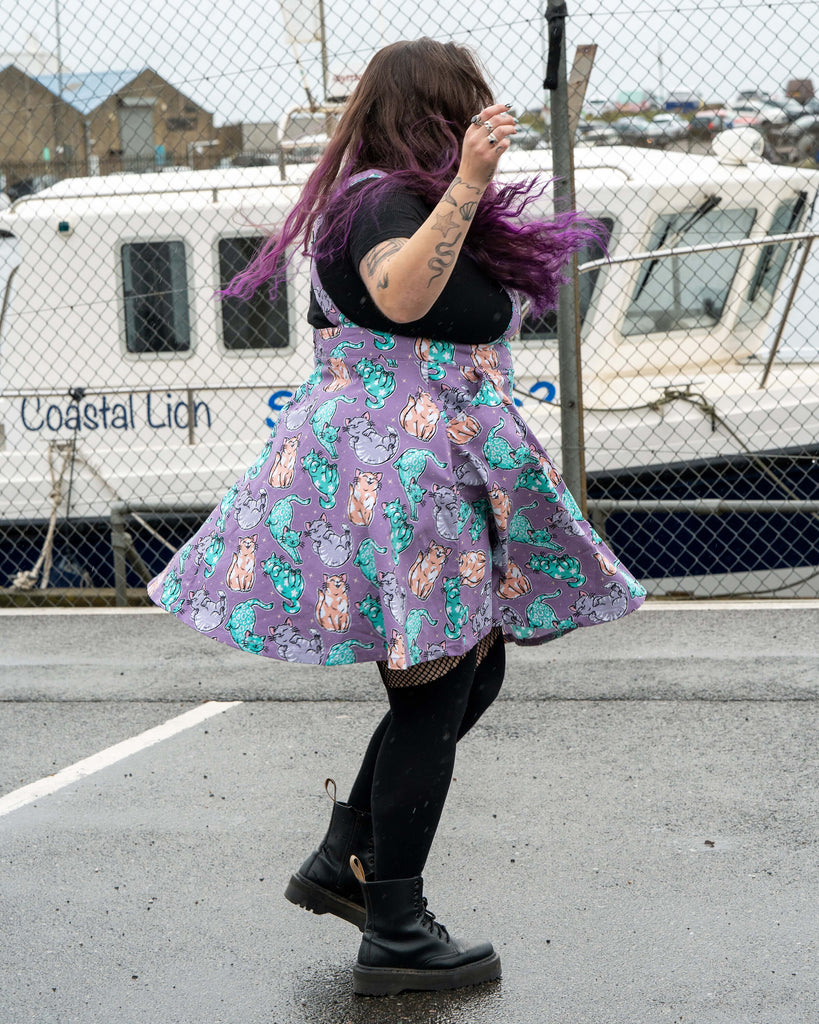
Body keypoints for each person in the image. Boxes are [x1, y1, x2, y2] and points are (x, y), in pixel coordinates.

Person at [148, 38, 647, 997]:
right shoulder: (381, 200)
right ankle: (395, 927)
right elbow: (402, 293)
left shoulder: (394, 198)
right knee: (432, 683)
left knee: (472, 667)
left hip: (424, 456)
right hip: (397, 466)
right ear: (436, 109)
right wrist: (466, 182)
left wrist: (462, 195)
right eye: (468, 106)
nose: (479, 119)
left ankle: (350, 856)